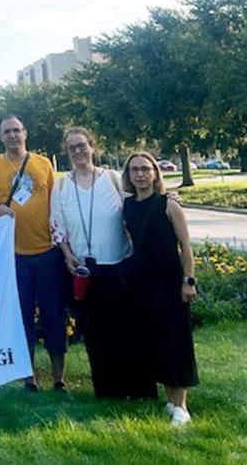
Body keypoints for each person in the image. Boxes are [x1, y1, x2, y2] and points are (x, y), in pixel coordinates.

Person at [49, 128, 155, 399]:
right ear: (67, 152)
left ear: (92, 146)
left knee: (126, 327)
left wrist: (169, 200)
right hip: (85, 269)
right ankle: (106, 389)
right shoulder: (61, 186)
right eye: (72, 148)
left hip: (118, 264)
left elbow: (140, 205)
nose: (77, 152)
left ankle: (136, 386)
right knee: (95, 332)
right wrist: (67, 253)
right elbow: (56, 225)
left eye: (82, 146)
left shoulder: (113, 179)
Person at [0, 114, 67, 392]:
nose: (13, 136)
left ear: (25, 133)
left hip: (48, 253)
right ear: (0, 136)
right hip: (14, 256)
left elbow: (58, 204)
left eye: (17, 130)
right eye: (7, 131)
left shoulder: (43, 164)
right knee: (23, 318)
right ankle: (28, 378)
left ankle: (58, 379)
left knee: (54, 316)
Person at [122, 152, 198, 427]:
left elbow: (185, 247)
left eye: (145, 169)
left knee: (175, 341)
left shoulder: (168, 204)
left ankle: (182, 406)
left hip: (170, 282)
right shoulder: (127, 206)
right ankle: (169, 399)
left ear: (155, 173)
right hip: (143, 284)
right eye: (134, 170)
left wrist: (188, 280)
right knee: (155, 340)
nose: (140, 174)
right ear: (128, 176)